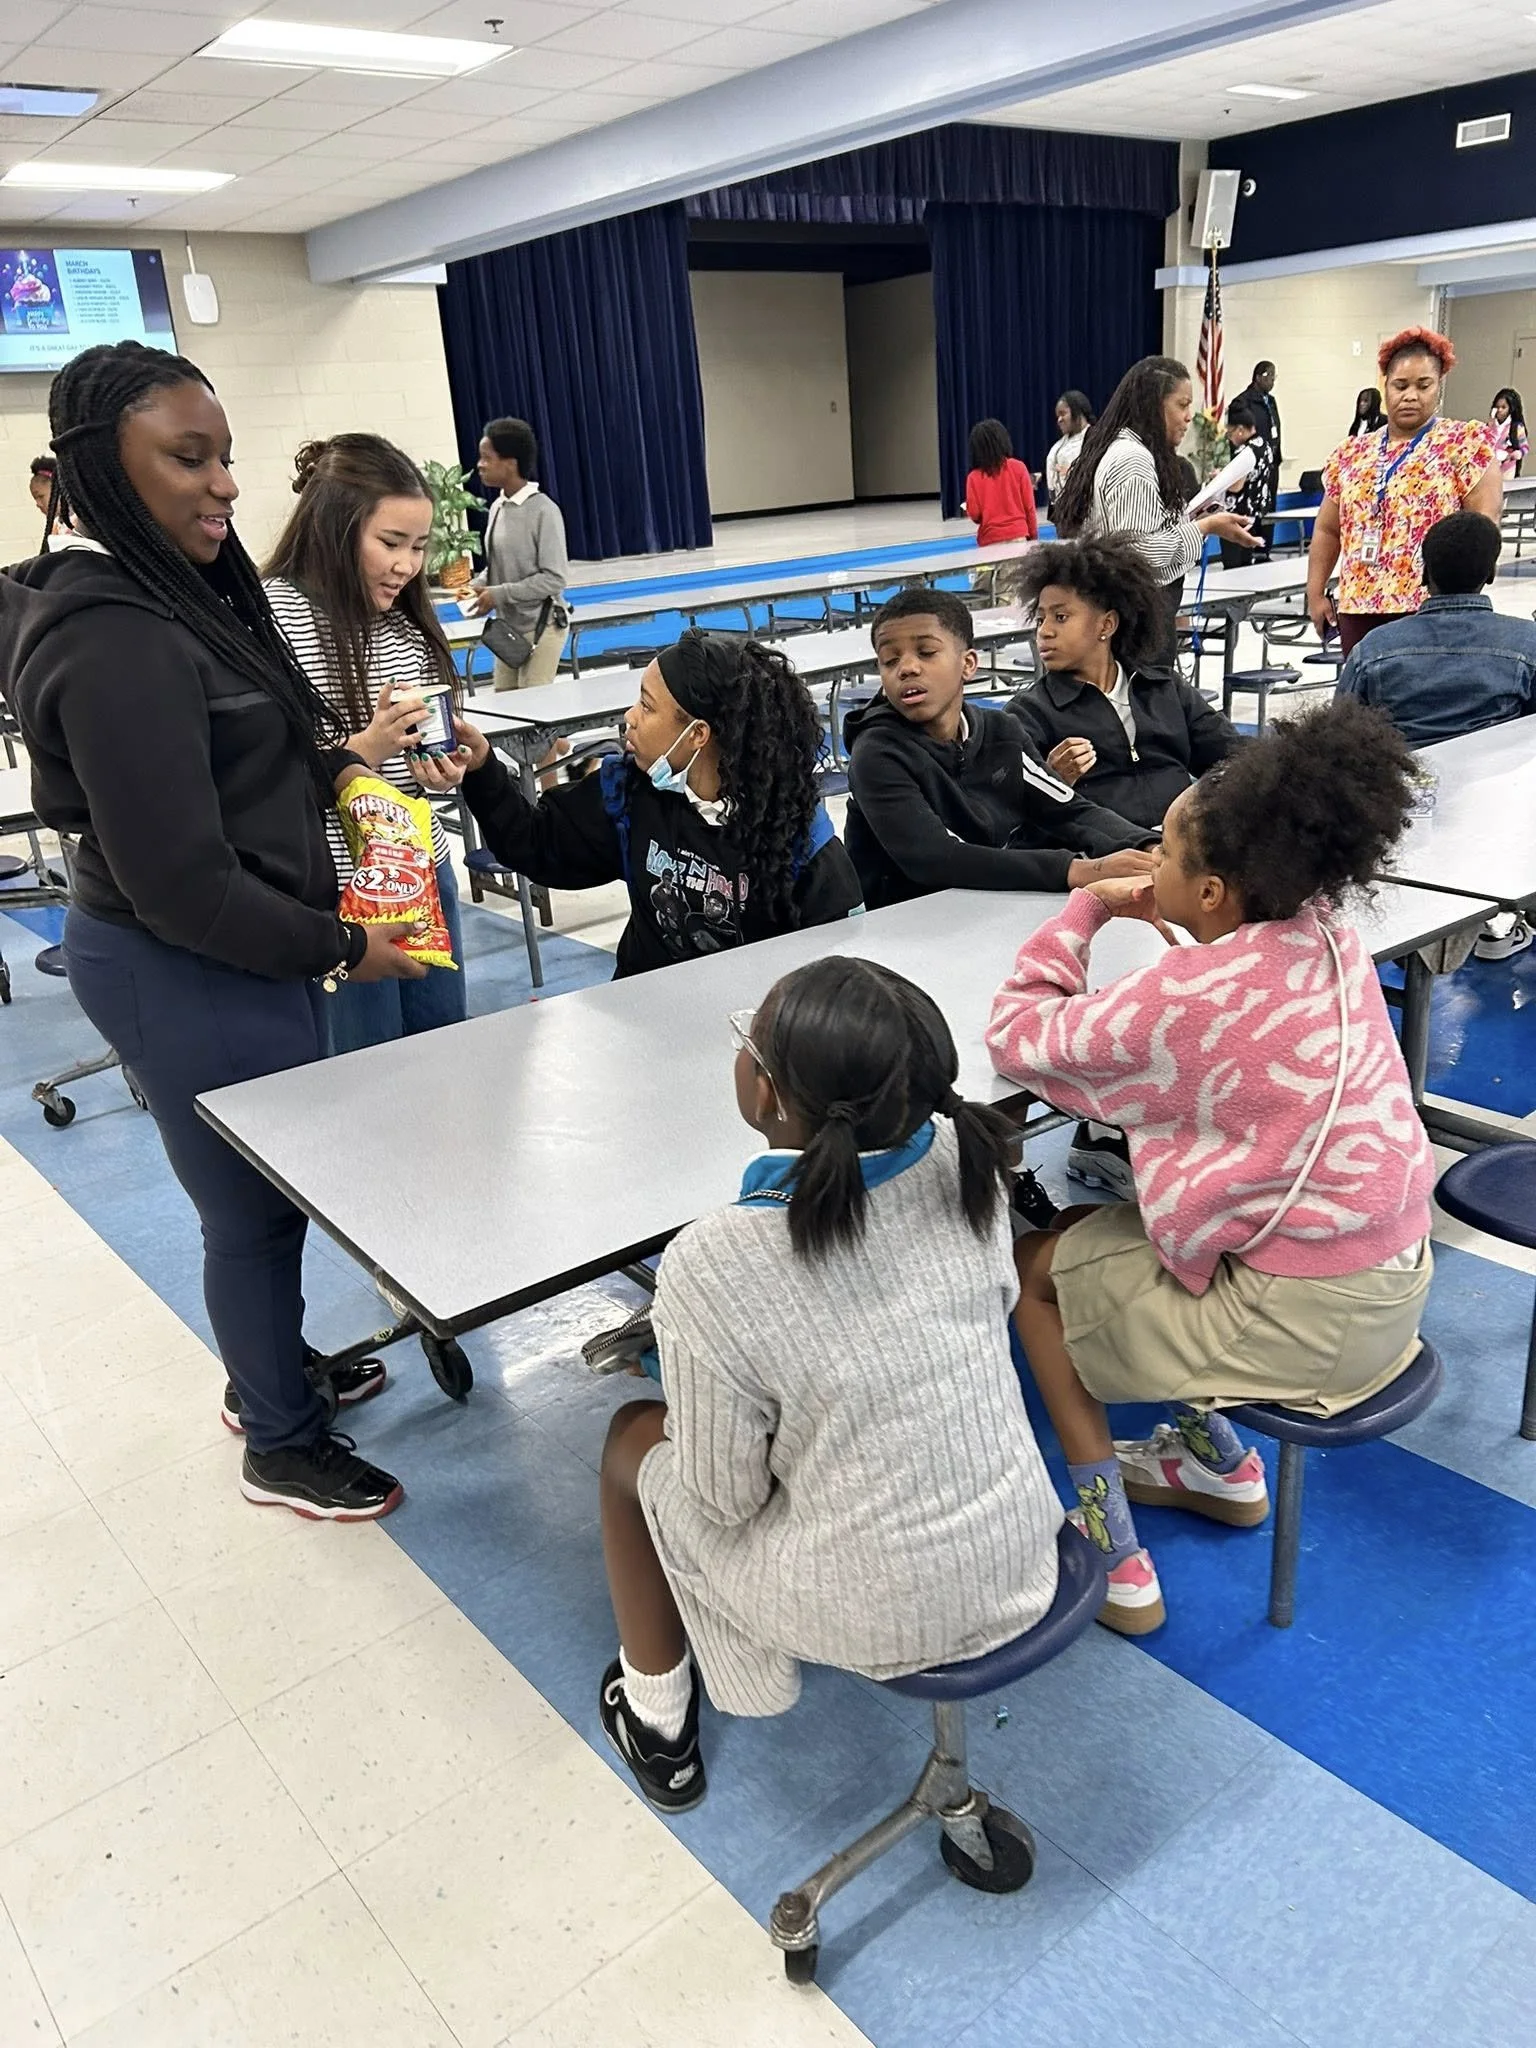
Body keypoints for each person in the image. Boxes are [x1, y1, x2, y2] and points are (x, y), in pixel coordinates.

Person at [0, 341, 418, 1519]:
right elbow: (182, 884)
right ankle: (278, 1437)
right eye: (189, 457)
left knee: (271, 1189)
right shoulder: (113, 634)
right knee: (252, 1205)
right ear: (98, 471)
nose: (226, 484)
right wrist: (341, 948)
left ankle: (267, 1373)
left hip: (243, 937)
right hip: (178, 958)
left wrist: (353, 765)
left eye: (225, 455)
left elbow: (252, 745)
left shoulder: (186, 592)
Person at [987, 698, 1434, 1634]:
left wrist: (1085, 908)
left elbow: (1021, 1037)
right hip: (1395, 1281)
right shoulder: (1328, 933)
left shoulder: (1186, 993)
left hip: (1310, 1323)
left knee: (1037, 1273)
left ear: (1215, 892)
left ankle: (1113, 1553)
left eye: (1166, 853)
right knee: (1089, 1234)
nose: (1153, 864)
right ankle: (1217, 1462)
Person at [596, 956, 1063, 1808]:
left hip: (873, 1608)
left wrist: (699, 1381)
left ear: (768, 1096)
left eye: (750, 1043)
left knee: (633, 1439)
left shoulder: (716, 1258)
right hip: (1022, 1546)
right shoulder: (969, 1153)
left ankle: (656, 1716)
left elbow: (724, 1499)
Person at [416, 628, 862, 975]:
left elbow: (835, 976)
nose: (629, 718)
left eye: (646, 708)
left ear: (697, 735)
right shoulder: (630, 793)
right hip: (647, 1012)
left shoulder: (802, 839)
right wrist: (481, 769)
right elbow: (534, 843)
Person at [265, 434, 468, 1053]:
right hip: (344, 886)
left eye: (419, 547)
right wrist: (364, 751)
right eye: (390, 543)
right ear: (334, 529)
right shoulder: (274, 616)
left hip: (422, 865)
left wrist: (441, 764)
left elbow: (421, 740)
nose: (407, 565)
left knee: (443, 1048)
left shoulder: (403, 620)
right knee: (367, 1066)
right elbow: (266, 775)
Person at [842, 585, 1159, 912]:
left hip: (995, 902)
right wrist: (1076, 869)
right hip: (907, 923)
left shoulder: (1000, 732)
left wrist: (1150, 846)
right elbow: (935, 859)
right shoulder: (876, 754)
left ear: (968, 664)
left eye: (926, 652)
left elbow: (1068, 809)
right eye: (889, 660)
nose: (906, 668)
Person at [1007, 537, 1240, 832]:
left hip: (1183, 846)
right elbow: (1007, 814)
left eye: (1061, 617)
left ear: (1106, 625)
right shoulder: (1029, 713)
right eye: (1040, 620)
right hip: (1102, 860)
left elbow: (1235, 757)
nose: (1045, 632)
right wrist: (1053, 781)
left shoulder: (1163, 688)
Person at [1051, 355, 1260, 667]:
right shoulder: (1133, 459)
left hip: (1134, 613)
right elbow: (1141, 552)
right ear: (1152, 404)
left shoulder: (1125, 449)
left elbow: (1139, 534)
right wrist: (1205, 528)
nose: (1190, 416)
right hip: (1137, 619)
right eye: (1182, 404)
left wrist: (1195, 520)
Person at [1308, 327, 1500, 658]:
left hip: (1432, 607)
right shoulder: (1351, 453)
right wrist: (1315, 593)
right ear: (1385, 385)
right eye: (1400, 386)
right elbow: (1327, 529)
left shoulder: (1462, 444)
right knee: (1362, 706)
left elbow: (1483, 527)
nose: (1410, 395)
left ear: (1439, 387)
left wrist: (1466, 595)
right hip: (1359, 606)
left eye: (1423, 385)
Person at [1335, 510, 1533, 747]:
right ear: (1490, 574)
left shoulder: (1371, 649)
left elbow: (1338, 733)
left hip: (1399, 779)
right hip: (1500, 779)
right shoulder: (1527, 643)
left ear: (1424, 573)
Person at [461, 416, 568, 691]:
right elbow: (498, 567)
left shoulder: (544, 511)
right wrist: (478, 586)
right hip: (508, 630)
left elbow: (554, 579)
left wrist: (498, 594)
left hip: (542, 628)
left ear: (510, 463)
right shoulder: (498, 507)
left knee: (533, 712)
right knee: (506, 704)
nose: (479, 465)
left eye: (487, 458)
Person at [1217, 398, 1275, 569]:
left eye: (1230, 433)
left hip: (1236, 516)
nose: (1230, 438)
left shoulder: (1244, 452)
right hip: (1254, 513)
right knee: (1246, 566)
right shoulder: (1264, 446)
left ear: (1240, 430)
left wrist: (1221, 478)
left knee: (1233, 567)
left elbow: (1236, 486)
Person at [1045, 390, 1094, 504]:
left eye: (1063, 414)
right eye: (1058, 416)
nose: (1059, 420)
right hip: (1064, 514)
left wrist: (1073, 474)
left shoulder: (1096, 440)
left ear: (1078, 412)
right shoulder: (1058, 446)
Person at [1233, 360, 1283, 471]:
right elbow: (1239, 437)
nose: (1272, 380)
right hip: (1254, 463)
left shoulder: (1271, 401)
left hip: (1272, 461)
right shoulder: (1242, 402)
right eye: (1269, 375)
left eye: (1274, 376)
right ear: (1258, 377)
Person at [1489, 387, 1528, 481]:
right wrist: (1491, 422)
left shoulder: (1516, 427)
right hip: (1491, 466)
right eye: (1497, 407)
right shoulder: (1491, 425)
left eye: (1503, 407)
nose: (1499, 410)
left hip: (1507, 466)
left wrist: (1518, 453)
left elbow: (1524, 447)